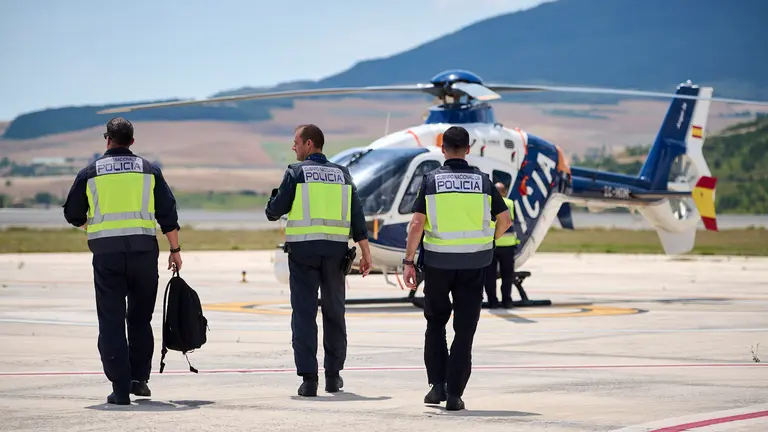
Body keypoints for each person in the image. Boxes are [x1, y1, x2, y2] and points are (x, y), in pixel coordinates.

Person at [62, 117, 182, 405]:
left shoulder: (90, 173)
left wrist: (90, 226)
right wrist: (175, 250)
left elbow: (72, 214)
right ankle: (139, 380)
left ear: (107, 139)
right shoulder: (149, 170)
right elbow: (168, 214)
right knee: (141, 319)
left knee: (112, 321)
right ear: (132, 141)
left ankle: (119, 388)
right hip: (143, 254)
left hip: (107, 256)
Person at [403, 126, 512, 411]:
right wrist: (489, 242)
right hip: (474, 264)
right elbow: (505, 221)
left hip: (438, 264)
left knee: (435, 323)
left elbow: (416, 224)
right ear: (467, 149)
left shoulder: (431, 181)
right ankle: (455, 395)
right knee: (464, 330)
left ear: (443, 148)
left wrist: (408, 261)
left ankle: (437, 386)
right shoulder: (483, 182)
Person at [265, 123, 372, 397]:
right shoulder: (343, 174)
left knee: (304, 314)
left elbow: (276, 211)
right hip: (336, 252)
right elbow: (356, 214)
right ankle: (333, 377)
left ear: (309, 144)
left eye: (296, 142)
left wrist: (272, 202)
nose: (294, 147)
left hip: (303, 253)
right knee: (334, 313)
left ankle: (309, 379)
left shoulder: (296, 172)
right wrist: (365, 249)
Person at [483, 182, 520, 309]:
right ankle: (507, 301)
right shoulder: (509, 203)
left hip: (491, 245)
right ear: (504, 192)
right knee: (507, 275)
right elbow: (512, 220)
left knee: (489, 276)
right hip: (508, 246)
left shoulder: (487, 203)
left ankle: (492, 301)